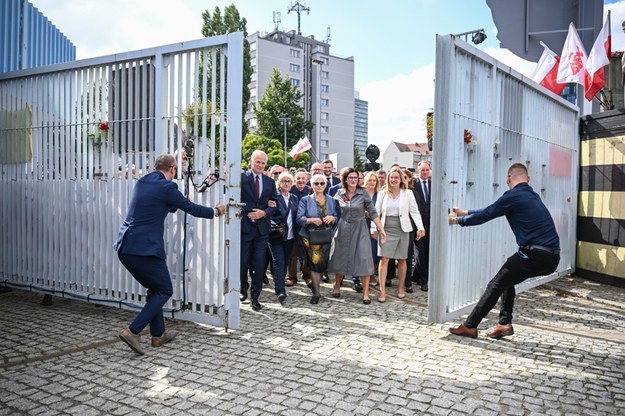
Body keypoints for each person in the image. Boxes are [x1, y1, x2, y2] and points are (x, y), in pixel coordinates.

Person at [114, 154, 226, 355]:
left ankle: (158, 335)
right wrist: (216, 211)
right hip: (144, 249)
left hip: (125, 247)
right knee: (164, 289)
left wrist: (179, 201)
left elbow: (162, 204)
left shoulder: (143, 182)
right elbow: (191, 209)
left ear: (155, 167)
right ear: (173, 169)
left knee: (155, 288)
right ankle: (133, 331)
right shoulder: (168, 188)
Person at [448, 163, 560, 339]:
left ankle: (470, 326)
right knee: (508, 279)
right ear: (528, 179)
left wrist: (457, 221)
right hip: (552, 257)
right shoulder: (531, 195)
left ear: (508, 179)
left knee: (495, 284)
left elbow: (488, 214)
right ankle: (504, 324)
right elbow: (491, 209)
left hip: (534, 254)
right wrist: (465, 212)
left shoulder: (513, 196)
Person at [328, 168, 386, 304]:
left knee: (363, 259)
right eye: (350, 178)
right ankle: (337, 286)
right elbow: (333, 211)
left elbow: (372, 212)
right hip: (343, 228)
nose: (353, 180)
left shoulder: (363, 192)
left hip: (360, 229)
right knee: (341, 257)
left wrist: (381, 229)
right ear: (345, 179)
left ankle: (366, 293)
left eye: (356, 178)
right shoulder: (339, 193)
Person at [374, 168, 425, 302]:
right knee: (384, 259)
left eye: (396, 177)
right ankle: (382, 290)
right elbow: (376, 212)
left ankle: (401, 287)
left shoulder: (408, 193)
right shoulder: (382, 193)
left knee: (402, 259)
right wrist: (374, 228)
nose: (393, 180)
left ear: (401, 179)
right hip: (386, 228)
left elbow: (414, 212)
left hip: (403, 228)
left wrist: (420, 227)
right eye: (391, 177)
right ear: (388, 179)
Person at [240, 150, 279, 311]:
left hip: (262, 229)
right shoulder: (242, 178)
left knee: (259, 263)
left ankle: (255, 297)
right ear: (251, 161)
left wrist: (264, 213)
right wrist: (251, 212)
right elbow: (236, 199)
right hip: (245, 227)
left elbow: (275, 205)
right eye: (258, 162)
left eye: (263, 163)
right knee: (242, 263)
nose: (261, 165)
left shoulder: (269, 182)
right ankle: (243, 287)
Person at [297, 174, 338, 304]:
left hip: (326, 235)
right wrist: (311, 220)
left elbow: (336, 216)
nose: (319, 186)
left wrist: (332, 218)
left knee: (322, 264)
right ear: (312, 185)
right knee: (314, 263)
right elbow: (299, 218)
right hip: (309, 236)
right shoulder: (305, 199)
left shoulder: (331, 199)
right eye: (316, 183)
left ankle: (317, 288)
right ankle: (316, 293)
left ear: (325, 185)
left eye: (321, 183)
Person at [268, 171, 299, 304]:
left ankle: (278, 281)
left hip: (290, 237)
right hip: (276, 236)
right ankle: (280, 290)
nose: (286, 184)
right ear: (279, 183)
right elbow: (271, 214)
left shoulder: (294, 198)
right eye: (284, 181)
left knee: (284, 261)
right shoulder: (274, 197)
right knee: (279, 261)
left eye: (289, 181)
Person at [287, 170, 313, 288]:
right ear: (294, 179)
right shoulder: (290, 190)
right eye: (298, 178)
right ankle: (292, 277)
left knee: (308, 252)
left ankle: (307, 275)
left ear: (307, 180)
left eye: (303, 178)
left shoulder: (310, 190)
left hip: (307, 226)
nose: (301, 181)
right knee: (293, 253)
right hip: (293, 226)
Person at [412, 161, 432, 292]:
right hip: (417, 223)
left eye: (427, 170)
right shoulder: (413, 185)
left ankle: (417, 275)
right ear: (418, 171)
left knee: (429, 252)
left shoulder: (433, 184)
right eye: (422, 170)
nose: (424, 172)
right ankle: (424, 281)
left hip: (431, 223)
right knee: (420, 253)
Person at [363, 171, 381, 283]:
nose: (372, 182)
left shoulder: (380, 194)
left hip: (375, 224)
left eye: (374, 180)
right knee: (364, 250)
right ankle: (365, 274)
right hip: (363, 223)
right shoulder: (361, 193)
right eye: (370, 180)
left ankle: (373, 273)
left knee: (374, 249)